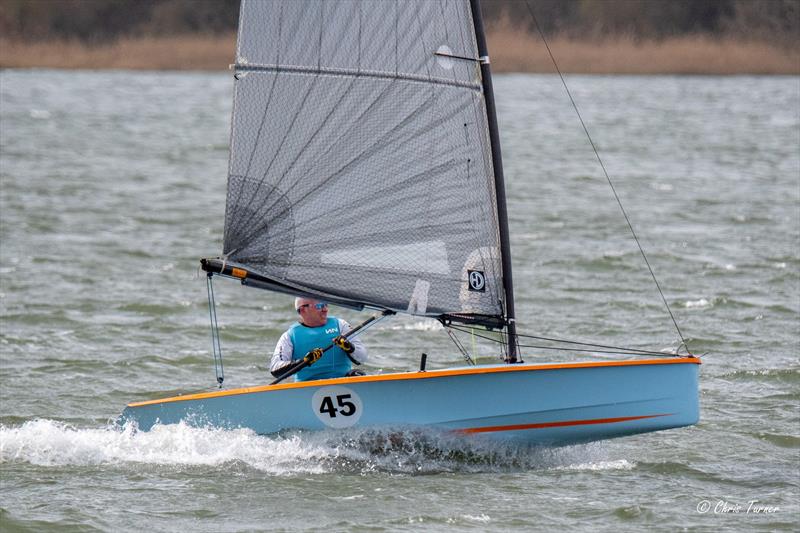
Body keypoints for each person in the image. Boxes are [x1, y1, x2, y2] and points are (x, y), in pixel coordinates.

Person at [270, 297, 367, 382]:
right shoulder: (289, 336)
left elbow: (362, 358)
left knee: (358, 374)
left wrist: (349, 347)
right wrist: (304, 361)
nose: (325, 310)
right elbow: (275, 368)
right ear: (303, 310)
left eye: (326, 305)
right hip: (308, 387)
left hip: (341, 382)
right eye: (319, 306)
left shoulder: (341, 325)